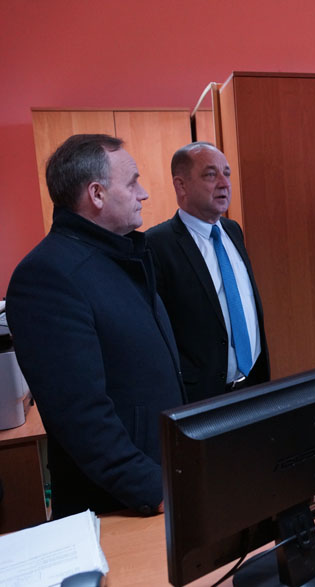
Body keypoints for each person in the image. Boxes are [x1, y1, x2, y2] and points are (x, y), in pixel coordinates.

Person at [6, 134, 184, 518]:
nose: (144, 193)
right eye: (132, 183)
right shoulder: (47, 276)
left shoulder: (122, 257)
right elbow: (82, 418)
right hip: (120, 505)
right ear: (97, 194)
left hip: (164, 477)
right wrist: (157, 490)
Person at [147, 142, 269, 403]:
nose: (224, 184)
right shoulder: (156, 245)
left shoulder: (233, 230)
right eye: (211, 175)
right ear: (181, 186)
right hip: (202, 396)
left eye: (227, 173)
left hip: (255, 384)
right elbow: (157, 333)